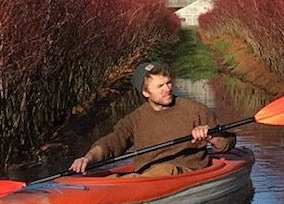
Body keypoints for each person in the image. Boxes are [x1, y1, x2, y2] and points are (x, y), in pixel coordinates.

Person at [69, 61, 236, 175]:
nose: (167, 89)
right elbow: (112, 143)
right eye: (160, 86)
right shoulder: (134, 119)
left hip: (183, 173)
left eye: (168, 83)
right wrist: (87, 158)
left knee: (164, 170)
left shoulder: (195, 110)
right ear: (145, 93)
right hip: (147, 177)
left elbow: (227, 142)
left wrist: (211, 137)